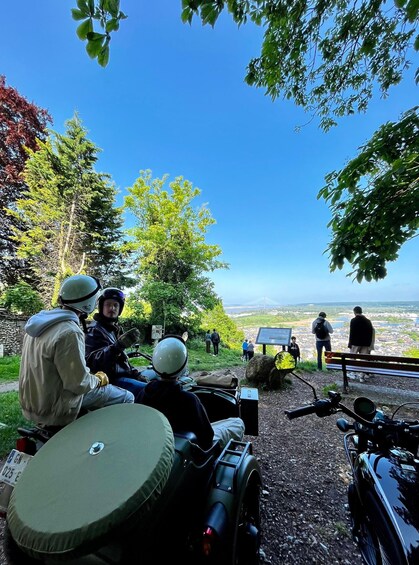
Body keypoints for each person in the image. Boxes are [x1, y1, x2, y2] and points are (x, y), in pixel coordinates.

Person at [19, 275, 134, 428]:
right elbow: (79, 384)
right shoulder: (69, 331)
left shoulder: (40, 324)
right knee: (127, 397)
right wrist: (98, 379)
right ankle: (110, 439)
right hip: (56, 406)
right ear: (90, 303)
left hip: (34, 404)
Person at [137, 336, 245, 450]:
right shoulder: (189, 400)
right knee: (237, 423)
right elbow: (207, 438)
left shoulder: (144, 393)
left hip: (156, 446)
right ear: (183, 366)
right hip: (190, 452)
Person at [85, 287, 147, 401]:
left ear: (120, 309)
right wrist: (116, 347)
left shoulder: (114, 329)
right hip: (110, 380)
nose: (112, 308)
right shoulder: (95, 330)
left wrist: (135, 374)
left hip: (122, 376)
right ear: (101, 307)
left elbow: (122, 360)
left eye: (115, 305)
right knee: (148, 391)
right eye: (108, 304)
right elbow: (92, 362)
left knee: (153, 381)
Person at [348, 306, 375, 382]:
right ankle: (361, 376)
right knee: (364, 360)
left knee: (352, 357)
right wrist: (370, 344)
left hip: (355, 343)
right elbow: (371, 333)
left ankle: (352, 372)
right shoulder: (368, 321)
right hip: (366, 343)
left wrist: (350, 343)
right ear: (361, 311)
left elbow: (352, 333)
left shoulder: (353, 320)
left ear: (354, 312)